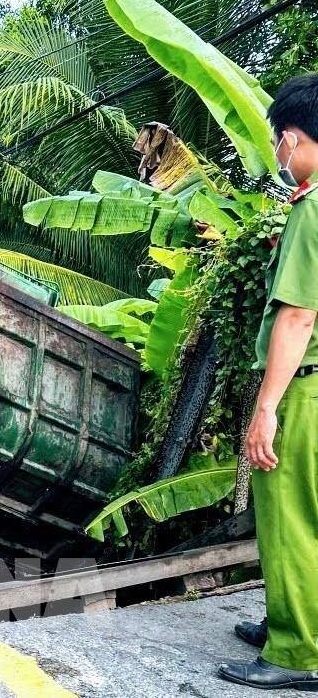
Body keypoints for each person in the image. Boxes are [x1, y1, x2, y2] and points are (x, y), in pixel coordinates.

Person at [219, 74, 318, 691]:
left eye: (280, 142)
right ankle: (293, 622)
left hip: (306, 387)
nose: (278, 154)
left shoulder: (311, 211)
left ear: (292, 137)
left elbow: (298, 314)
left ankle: (297, 653)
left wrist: (266, 409)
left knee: (291, 520)